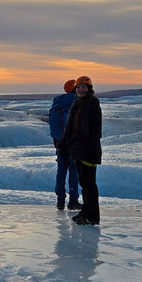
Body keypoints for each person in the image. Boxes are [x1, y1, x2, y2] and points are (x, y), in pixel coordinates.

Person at [62, 75, 101, 225]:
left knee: (90, 185)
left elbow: (96, 130)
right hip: (78, 150)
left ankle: (93, 217)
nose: (81, 89)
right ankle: (85, 212)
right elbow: (70, 127)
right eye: (78, 87)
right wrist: (64, 143)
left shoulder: (93, 103)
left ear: (89, 88)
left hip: (89, 151)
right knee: (84, 183)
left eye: (83, 87)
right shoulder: (77, 104)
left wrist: (91, 149)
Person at [48, 79, 80, 210]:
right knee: (73, 173)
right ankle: (73, 201)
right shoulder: (75, 103)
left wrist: (57, 142)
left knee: (61, 172)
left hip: (59, 144)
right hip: (72, 144)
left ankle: (60, 201)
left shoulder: (57, 104)